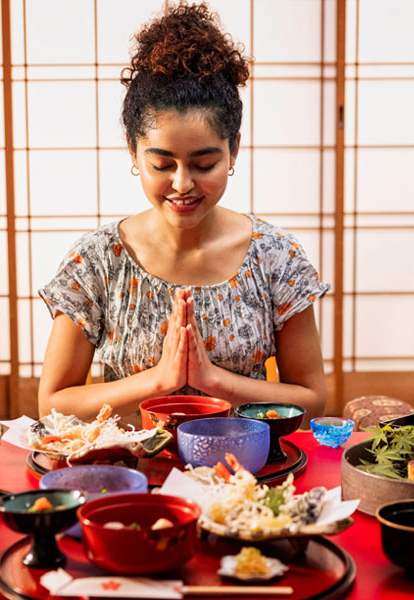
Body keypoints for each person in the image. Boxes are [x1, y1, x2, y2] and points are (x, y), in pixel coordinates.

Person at [38, 1, 329, 424]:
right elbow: (52, 403)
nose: (182, 183)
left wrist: (214, 381)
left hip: (243, 474)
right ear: (133, 150)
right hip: (130, 474)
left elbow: (312, 398)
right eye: (162, 164)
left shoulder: (275, 256)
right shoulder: (98, 260)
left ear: (234, 149)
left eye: (203, 163)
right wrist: (159, 381)